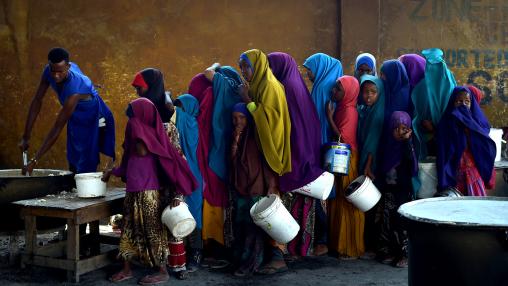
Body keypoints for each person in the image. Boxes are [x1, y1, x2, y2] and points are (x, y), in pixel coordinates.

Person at [103, 98, 197, 284]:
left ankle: (162, 270)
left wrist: (178, 194)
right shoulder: (135, 138)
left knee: (153, 232)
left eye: (134, 118)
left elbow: (173, 168)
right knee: (128, 229)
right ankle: (127, 268)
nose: (132, 123)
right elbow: (126, 166)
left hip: (150, 193)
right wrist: (110, 172)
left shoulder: (154, 138)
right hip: (132, 192)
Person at [19, 47, 115, 175]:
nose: (55, 75)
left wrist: (35, 160)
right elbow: (37, 100)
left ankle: (90, 190)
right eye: (53, 70)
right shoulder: (49, 71)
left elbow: (57, 127)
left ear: (68, 67)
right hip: (75, 114)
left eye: (60, 71)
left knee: (87, 159)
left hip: (93, 115)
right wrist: (26, 137)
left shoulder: (74, 90)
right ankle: (76, 186)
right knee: (74, 157)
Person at [131, 68, 188, 279]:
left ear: (151, 86)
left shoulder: (166, 117)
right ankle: (160, 264)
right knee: (156, 223)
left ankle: (176, 267)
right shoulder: (143, 113)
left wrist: (178, 193)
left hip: (166, 180)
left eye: (140, 87)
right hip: (149, 181)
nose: (138, 92)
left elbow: (178, 159)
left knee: (172, 220)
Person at [268, 52, 324, 258]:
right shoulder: (293, 84)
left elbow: (291, 128)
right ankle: (299, 248)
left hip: (297, 156)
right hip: (304, 155)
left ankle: (294, 248)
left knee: (294, 202)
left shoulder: (287, 88)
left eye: (270, 67)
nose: (268, 71)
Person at [229, 103, 281, 276]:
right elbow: (233, 161)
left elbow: (268, 162)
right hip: (241, 188)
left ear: (249, 118)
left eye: (242, 117)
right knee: (241, 227)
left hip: (257, 188)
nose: (238, 121)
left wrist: (272, 185)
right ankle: (241, 262)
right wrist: (236, 140)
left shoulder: (257, 136)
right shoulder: (237, 136)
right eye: (235, 118)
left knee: (253, 230)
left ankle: (251, 265)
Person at [302, 52, 343, 256]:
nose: (308, 74)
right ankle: (326, 240)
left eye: (310, 69)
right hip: (329, 148)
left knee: (320, 193)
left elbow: (316, 122)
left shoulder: (321, 88)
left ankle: (322, 240)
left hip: (320, 147)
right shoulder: (331, 84)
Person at [188, 73, 229, 263]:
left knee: (209, 194)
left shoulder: (207, 98)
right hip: (221, 157)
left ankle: (209, 242)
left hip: (208, 158)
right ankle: (219, 243)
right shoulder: (223, 95)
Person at [326, 75, 364, 259]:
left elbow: (344, 139)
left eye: (338, 89)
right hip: (341, 156)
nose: (334, 91)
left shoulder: (349, 111)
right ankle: (338, 243)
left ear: (348, 92)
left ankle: (348, 246)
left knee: (346, 201)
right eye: (335, 88)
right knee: (339, 200)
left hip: (347, 157)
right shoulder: (343, 108)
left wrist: (329, 118)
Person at [238, 49, 292, 176]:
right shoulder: (257, 84)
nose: (243, 71)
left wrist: (247, 100)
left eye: (247, 66)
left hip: (273, 138)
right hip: (262, 135)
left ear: (258, 65)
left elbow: (269, 117)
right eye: (241, 67)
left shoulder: (269, 85)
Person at [437, 86, 496, 196]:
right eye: (459, 101)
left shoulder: (476, 122)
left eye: (467, 101)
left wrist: (469, 125)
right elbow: (443, 150)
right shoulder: (446, 123)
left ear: (472, 104)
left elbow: (483, 143)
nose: (463, 104)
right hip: (454, 169)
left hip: (472, 169)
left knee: (476, 203)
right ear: (453, 102)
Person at [377, 111, 417, 268]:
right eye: (396, 128)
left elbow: (410, 165)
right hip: (388, 190)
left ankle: (405, 255)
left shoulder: (407, 147)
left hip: (402, 191)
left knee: (402, 224)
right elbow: (382, 166)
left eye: (404, 128)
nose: (400, 132)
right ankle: (389, 251)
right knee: (387, 222)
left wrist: (407, 141)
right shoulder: (387, 145)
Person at [174, 94, 205, 272]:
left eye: (182, 107)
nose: (178, 111)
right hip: (187, 174)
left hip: (190, 176)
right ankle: (184, 252)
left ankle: (196, 252)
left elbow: (172, 109)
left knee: (192, 214)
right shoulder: (189, 122)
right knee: (181, 212)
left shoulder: (190, 123)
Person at [357, 75, 385, 256]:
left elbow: (372, 144)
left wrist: (367, 166)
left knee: (370, 204)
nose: (368, 96)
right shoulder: (364, 110)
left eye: (373, 92)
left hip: (371, 165)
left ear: (379, 94)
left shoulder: (377, 113)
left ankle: (370, 242)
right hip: (364, 160)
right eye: (365, 92)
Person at [411, 48, 456, 160]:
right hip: (425, 138)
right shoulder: (421, 88)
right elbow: (417, 112)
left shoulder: (450, 84)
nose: (433, 69)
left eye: (437, 65)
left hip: (447, 138)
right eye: (430, 65)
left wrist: (435, 129)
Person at [303, 53, 343, 145]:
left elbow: (313, 115)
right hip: (331, 132)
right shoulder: (334, 83)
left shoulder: (321, 88)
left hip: (320, 133)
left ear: (321, 68)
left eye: (310, 69)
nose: (307, 72)